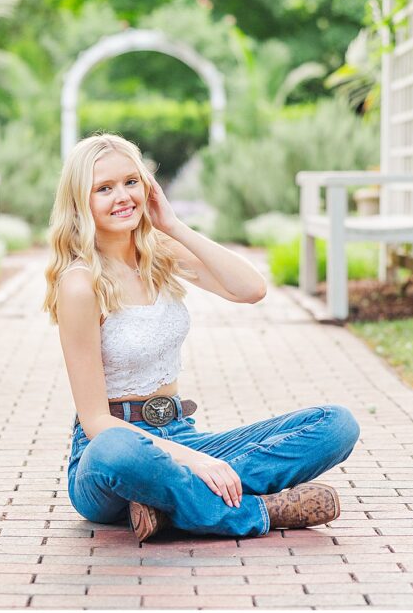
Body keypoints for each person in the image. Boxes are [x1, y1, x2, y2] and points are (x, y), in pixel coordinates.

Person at [42, 134, 360, 540]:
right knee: (118, 452)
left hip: (180, 432)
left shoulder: (160, 252)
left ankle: (166, 503)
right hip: (109, 455)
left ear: (148, 187)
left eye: (130, 182)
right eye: (104, 188)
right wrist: (196, 462)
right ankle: (256, 512)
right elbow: (96, 422)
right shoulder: (80, 284)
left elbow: (250, 289)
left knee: (336, 425)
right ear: (79, 201)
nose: (122, 196)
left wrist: (173, 226)